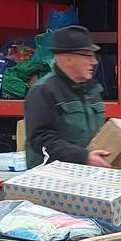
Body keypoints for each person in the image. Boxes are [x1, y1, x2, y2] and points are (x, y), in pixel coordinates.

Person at [24, 26, 110, 169]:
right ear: (69, 59)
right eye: (87, 55)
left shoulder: (92, 89)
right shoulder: (43, 91)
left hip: (85, 176)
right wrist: (83, 157)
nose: (94, 62)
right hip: (53, 182)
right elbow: (41, 139)